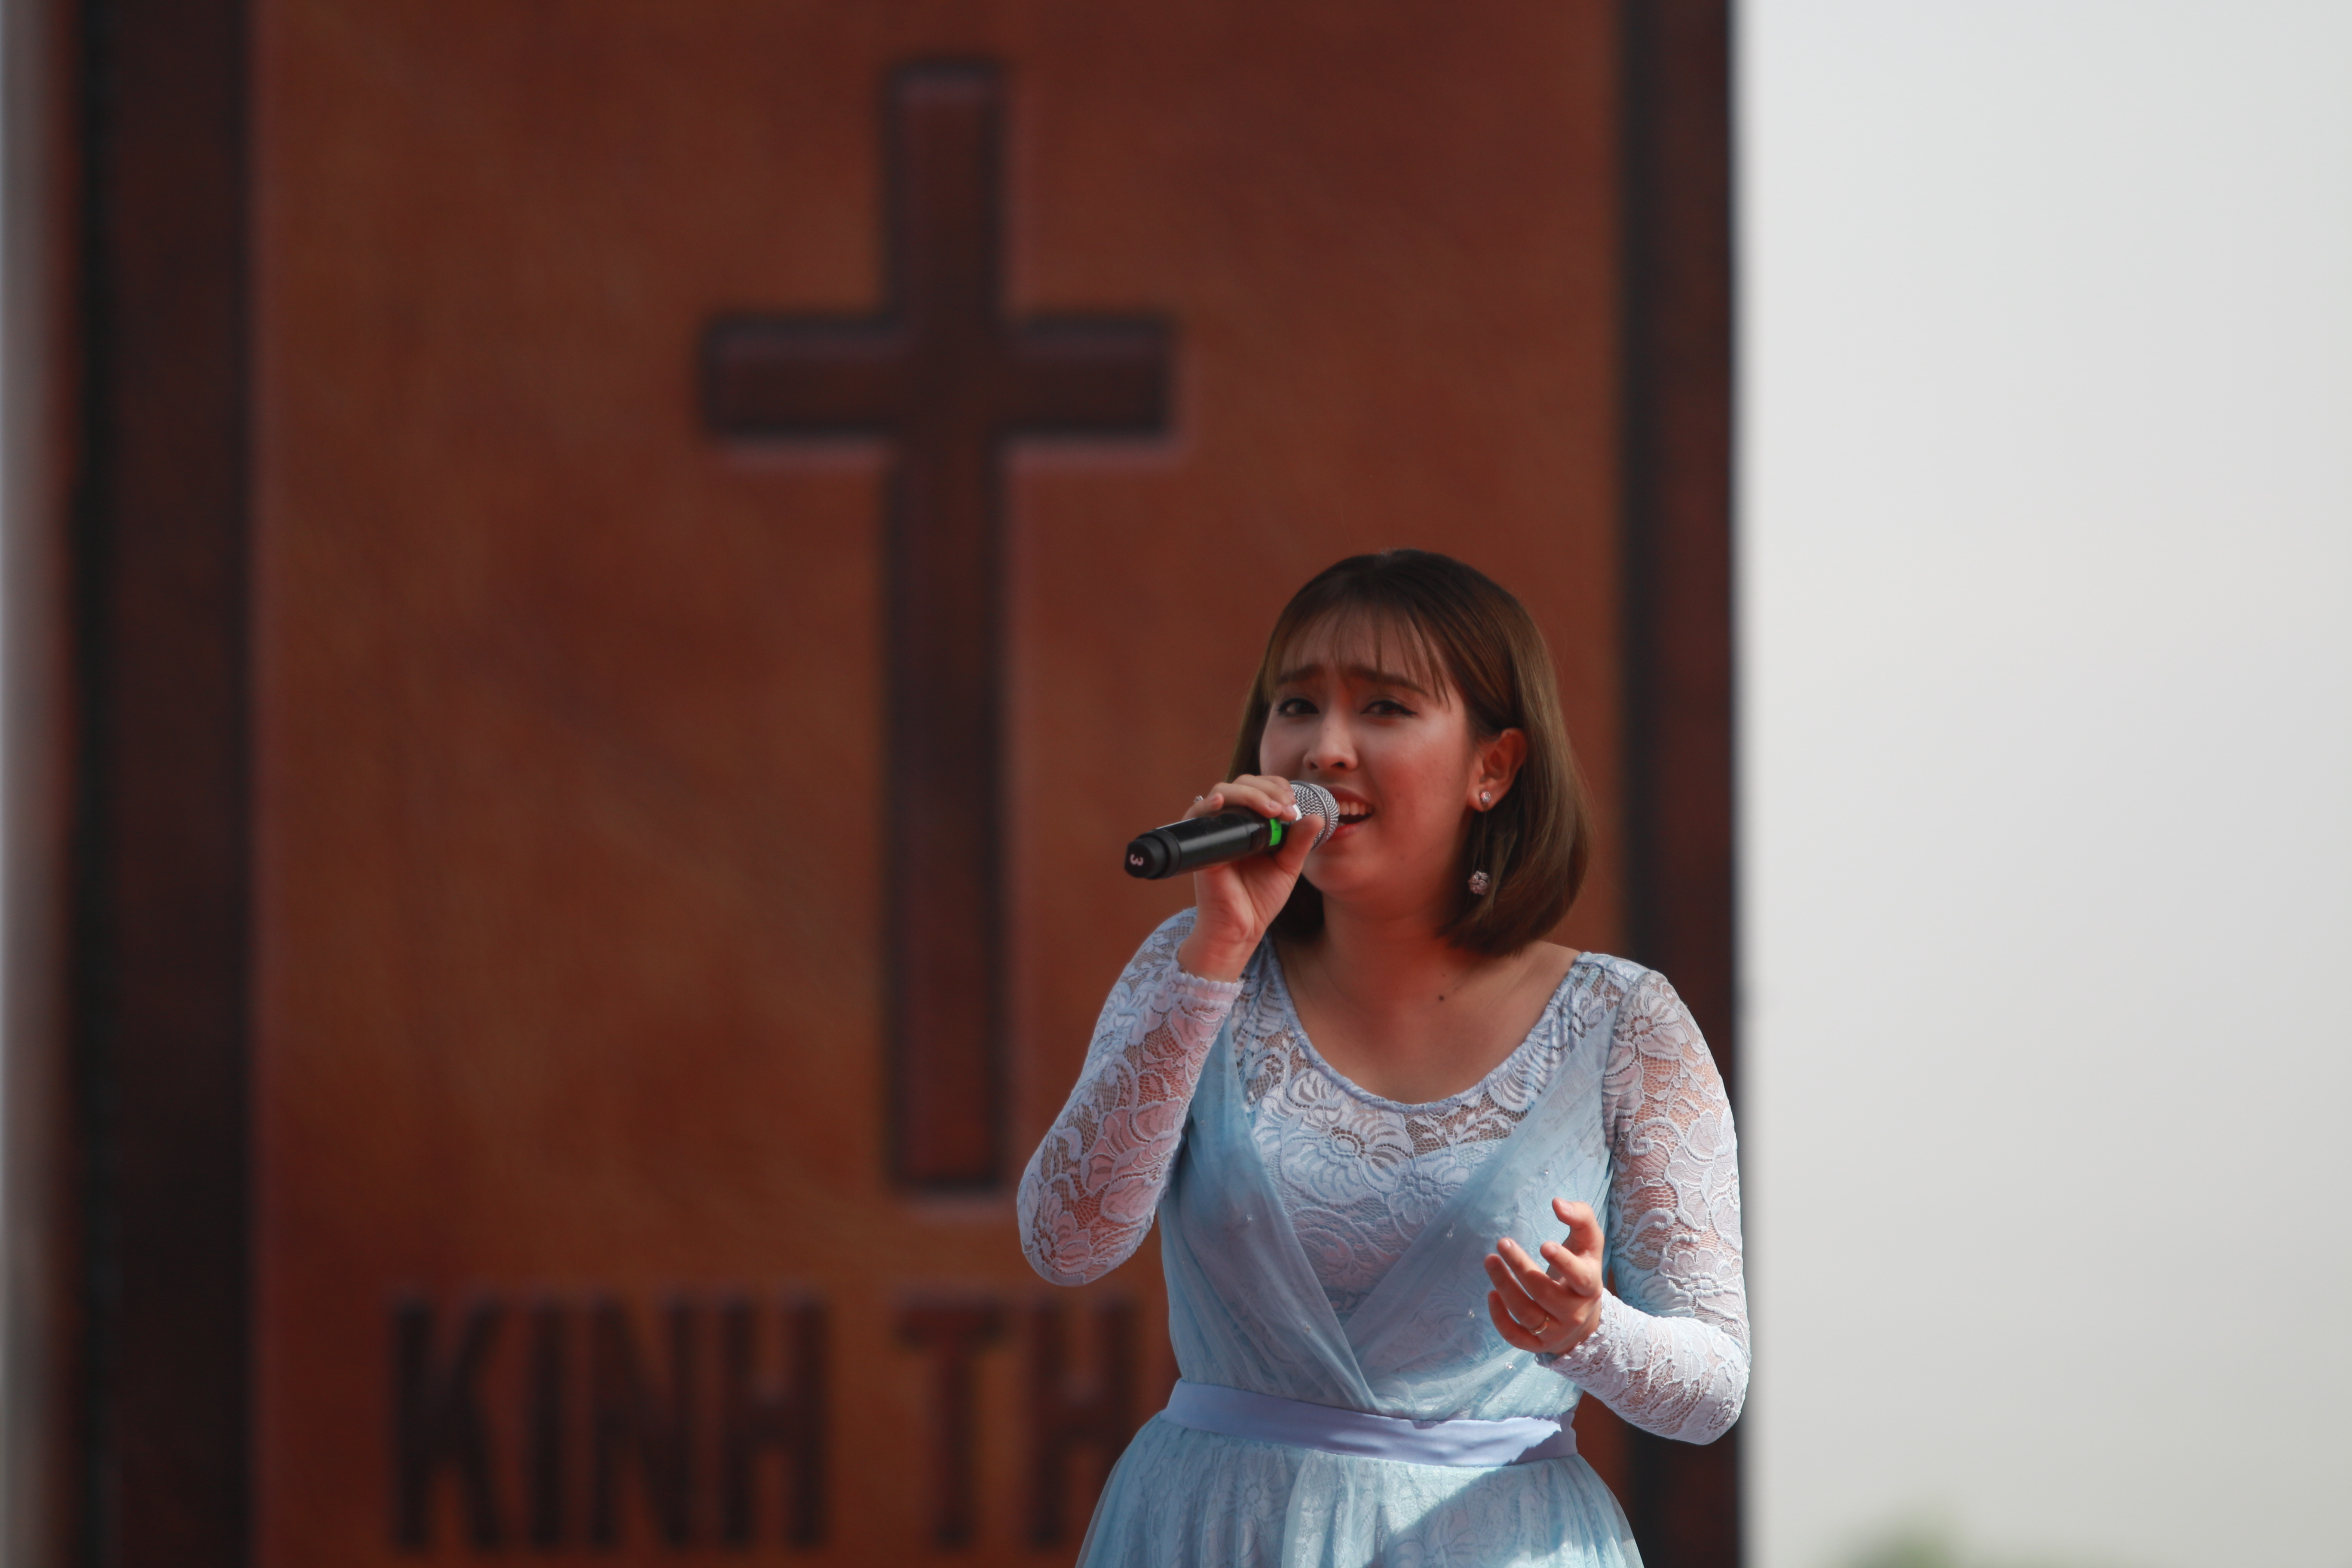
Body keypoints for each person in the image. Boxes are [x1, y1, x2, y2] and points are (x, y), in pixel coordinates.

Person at [1018, 550, 1747, 1567]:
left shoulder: (1624, 1023)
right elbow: (1065, 1244)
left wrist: (1591, 1329)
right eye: (1296, 706)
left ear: (1495, 769)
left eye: (1385, 708)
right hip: (1210, 1532)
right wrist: (1217, 956)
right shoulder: (1193, 969)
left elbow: (1713, 1391)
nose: (1324, 749)